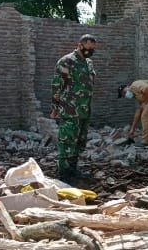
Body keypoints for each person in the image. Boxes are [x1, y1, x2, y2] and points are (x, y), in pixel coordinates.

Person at [51, 34, 97, 183]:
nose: (89, 52)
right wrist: (55, 109)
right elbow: (57, 87)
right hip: (69, 110)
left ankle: (73, 170)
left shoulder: (88, 63)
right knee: (66, 141)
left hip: (84, 110)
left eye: (92, 49)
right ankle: (63, 174)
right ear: (80, 45)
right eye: (87, 49)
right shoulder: (66, 61)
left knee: (79, 142)